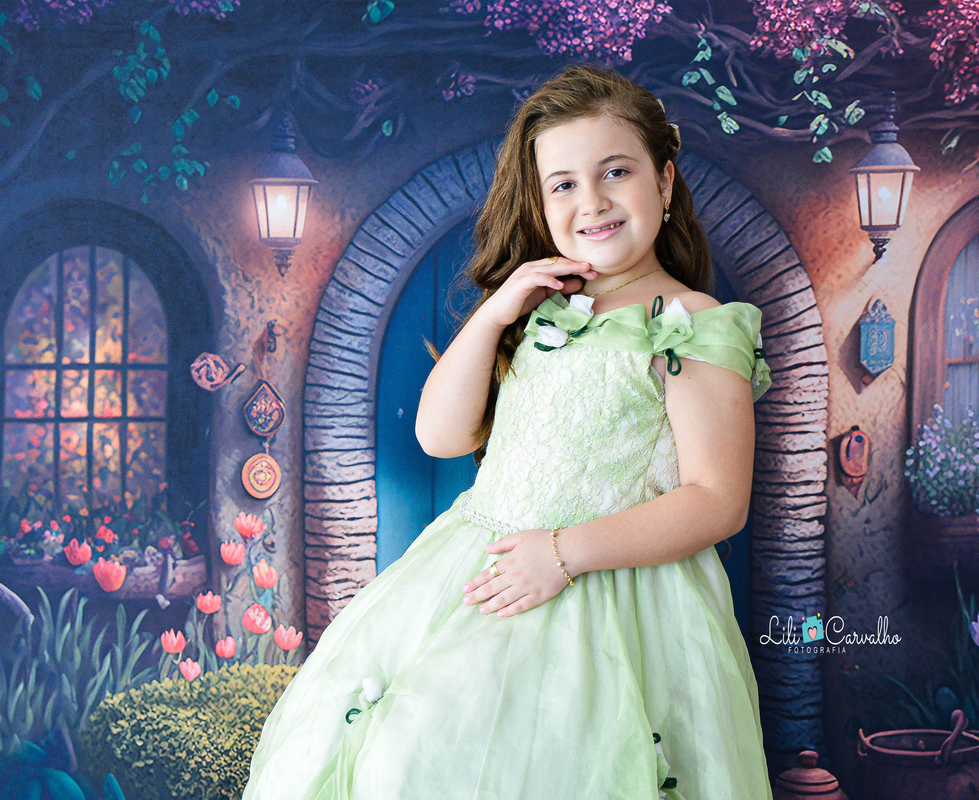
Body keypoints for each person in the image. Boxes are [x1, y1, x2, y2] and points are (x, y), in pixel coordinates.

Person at [241, 64, 774, 800]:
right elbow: (439, 436)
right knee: (406, 764)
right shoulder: (545, 312)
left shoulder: (690, 326)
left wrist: (561, 554)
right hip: (481, 572)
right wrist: (497, 312)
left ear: (665, 180)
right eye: (563, 184)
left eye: (616, 172)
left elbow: (717, 501)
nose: (592, 201)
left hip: (611, 599)